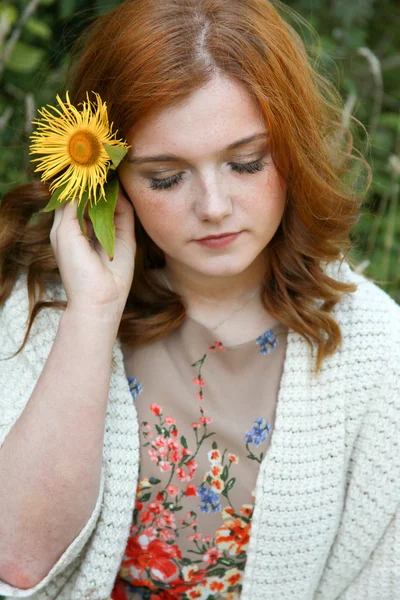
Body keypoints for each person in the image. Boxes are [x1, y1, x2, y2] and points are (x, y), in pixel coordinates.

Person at [0, 0, 399, 598]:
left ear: (292, 151)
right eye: (166, 176)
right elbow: (17, 563)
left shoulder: (375, 348)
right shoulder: (45, 310)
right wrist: (93, 311)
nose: (213, 205)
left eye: (245, 163)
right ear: (107, 179)